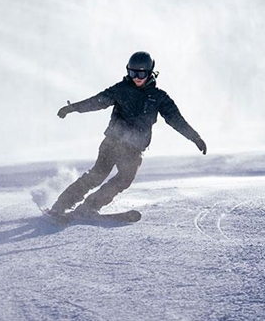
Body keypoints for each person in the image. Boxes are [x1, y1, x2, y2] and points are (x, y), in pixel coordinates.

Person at [48, 51, 207, 216]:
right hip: (113, 142)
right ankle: (60, 206)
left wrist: (195, 137)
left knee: (124, 179)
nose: (136, 77)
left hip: (134, 148)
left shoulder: (158, 97)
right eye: (132, 72)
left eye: (141, 73)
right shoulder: (121, 89)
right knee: (97, 175)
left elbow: (176, 119)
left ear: (150, 72)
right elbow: (98, 101)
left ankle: (90, 206)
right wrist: (73, 108)